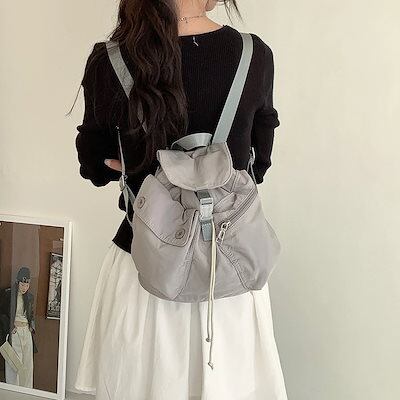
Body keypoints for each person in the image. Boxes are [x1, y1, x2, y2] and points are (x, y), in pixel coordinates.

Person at [72, 1, 287, 399]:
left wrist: (136, 166)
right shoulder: (252, 54)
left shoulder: (110, 59)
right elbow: (258, 165)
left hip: (146, 264)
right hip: (228, 270)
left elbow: (94, 164)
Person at [4, 266, 37, 387]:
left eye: (27, 285)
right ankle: (13, 390)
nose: (24, 288)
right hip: (14, 331)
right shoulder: (8, 294)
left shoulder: (30, 297)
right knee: (14, 363)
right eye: (22, 285)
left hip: (26, 331)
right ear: (17, 282)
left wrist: (31, 327)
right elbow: (3, 314)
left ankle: (27, 390)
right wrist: (9, 327)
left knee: (27, 363)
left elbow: (31, 315)